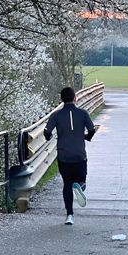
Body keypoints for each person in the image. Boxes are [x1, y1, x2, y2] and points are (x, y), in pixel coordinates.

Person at [44, 87, 96, 225]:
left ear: (61, 99)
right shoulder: (83, 113)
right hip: (79, 154)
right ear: (75, 98)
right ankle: (79, 185)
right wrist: (86, 137)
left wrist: (48, 136)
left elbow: (47, 133)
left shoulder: (56, 115)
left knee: (66, 184)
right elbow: (92, 129)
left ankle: (70, 215)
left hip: (64, 155)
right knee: (81, 179)